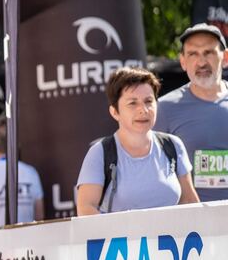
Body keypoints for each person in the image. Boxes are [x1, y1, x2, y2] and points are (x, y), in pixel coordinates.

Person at [77, 67, 200, 215]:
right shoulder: (100, 153)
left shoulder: (173, 145)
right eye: (132, 103)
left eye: (148, 101)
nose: (143, 110)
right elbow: (86, 208)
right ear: (115, 112)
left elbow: (190, 203)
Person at [154, 24, 228, 202]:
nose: (201, 62)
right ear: (183, 62)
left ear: (225, 58)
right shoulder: (164, 108)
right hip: (191, 218)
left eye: (208, 52)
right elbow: (153, 171)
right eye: (193, 54)